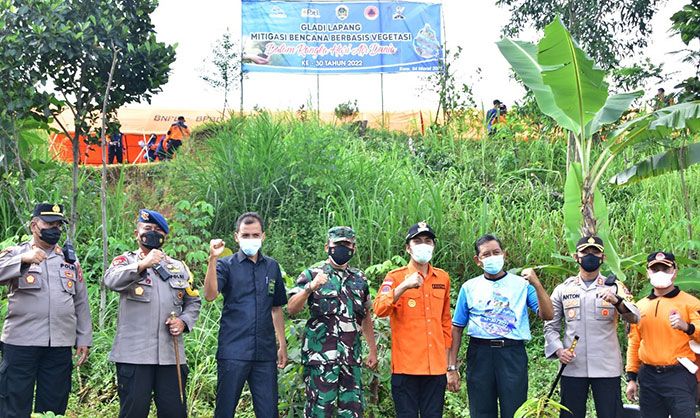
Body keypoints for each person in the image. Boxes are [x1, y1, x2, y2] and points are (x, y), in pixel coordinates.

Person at [104, 209, 201, 418]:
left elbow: (193, 300)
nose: (152, 233)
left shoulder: (179, 267)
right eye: (147, 228)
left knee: (174, 412)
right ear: (136, 233)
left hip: (170, 356)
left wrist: (184, 322)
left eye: (158, 230)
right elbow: (110, 281)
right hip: (134, 356)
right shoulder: (124, 262)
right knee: (134, 412)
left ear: (165, 236)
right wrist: (141, 265)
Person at [0, 203, 92, 416]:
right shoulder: (16, 253)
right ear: (34, 225)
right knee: (13, 401)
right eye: (49, 223)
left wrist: (84, 338)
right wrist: (22, 260)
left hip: (59, 343)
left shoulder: (69, 260)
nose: (55, 229)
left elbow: (81, 301)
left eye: (59, 225)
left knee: (54, 403)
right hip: (21, 342)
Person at [447, 234, 554, 418]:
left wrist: (536, 284)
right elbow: (457, 328)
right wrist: (451, 368)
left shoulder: (522, 284)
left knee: (515, 411)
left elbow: (548, 314)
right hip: (480, 354)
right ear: (478, 260)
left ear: (504, 254)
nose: (492, 257)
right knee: (481, 411)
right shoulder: (469, 287)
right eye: (486, 254)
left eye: (496, 252)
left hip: (511, 354)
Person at [544, 236, 640, 418]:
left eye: (595, 251)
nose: (590, 255)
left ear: (602, 257)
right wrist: (558, 350)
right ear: (576, 256)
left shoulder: (615, 286)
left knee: (610, 414)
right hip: (572, 365)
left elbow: (635, 317)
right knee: (570, 415)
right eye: (585, 252)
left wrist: (617, 301)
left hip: (606, 366)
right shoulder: (563, 289)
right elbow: (550, 326)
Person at [287, 226, 378, 417]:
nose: (343, 248)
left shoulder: (359, 279)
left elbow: (366, 315)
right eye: (338, 244)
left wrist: (372, 350)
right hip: (321, 359)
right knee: (319, 412)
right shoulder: (311, 274)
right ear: (327, 247)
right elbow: (292, 308)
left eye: (347, 244)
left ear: (354, 248)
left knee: (352, 412)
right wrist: (310, 288)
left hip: (351, 359)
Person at [204, 212, 288, 418]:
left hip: (265, 353)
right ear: (236, 236)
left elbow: (276, 308)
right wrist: (212, 260)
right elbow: (210, 294)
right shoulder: (226, 265)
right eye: (246, 235)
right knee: (225, 410)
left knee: (269, 412)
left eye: (255, 235)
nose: (251, 239)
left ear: (263, 236)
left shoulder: (272, 267)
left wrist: (282, 344)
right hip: (233, 350)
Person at [373, 222, 452, 418]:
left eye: (428, 241)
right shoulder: (395, 277)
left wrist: (449, 364)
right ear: (408, 248)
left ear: (434, 246)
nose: (423, 245)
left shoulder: (442, 278)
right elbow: (379, 309)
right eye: (417, 241)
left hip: (435, 368)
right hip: (406, 368)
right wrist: (403, 287)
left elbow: (445, 322)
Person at [625, 251, 700, 418]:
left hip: (679, 374)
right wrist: (631, 377)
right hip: (648, 376)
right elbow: (634, 342)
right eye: (655, 269)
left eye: (665, 269)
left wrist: (687, 327)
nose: (660, 272)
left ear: (675, 272)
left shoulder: (691, 303)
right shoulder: (640, 306)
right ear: (648, 272)